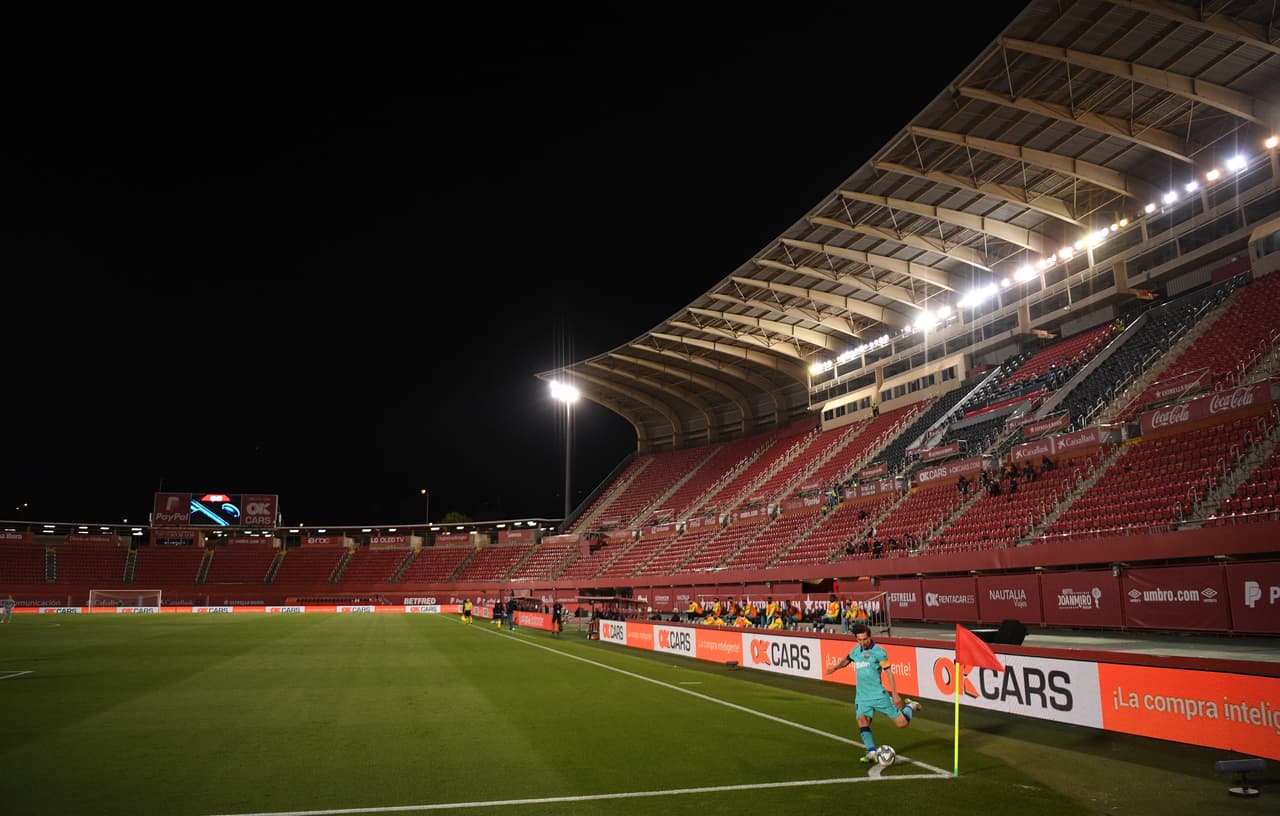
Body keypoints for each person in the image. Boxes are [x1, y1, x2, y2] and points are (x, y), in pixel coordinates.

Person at [825, 622, 921, 763]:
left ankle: (910, 706)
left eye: (864, 639)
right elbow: (848, 659)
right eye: (859, 639)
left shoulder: (879, 652)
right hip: (862, 697)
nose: (862, 642)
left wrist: (895, 693)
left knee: (902, 724)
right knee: (862, 721)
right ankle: (871, 752)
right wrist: (835, 668)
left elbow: (888, 673)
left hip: (879, 696)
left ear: (870, 637)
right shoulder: (856, 650)